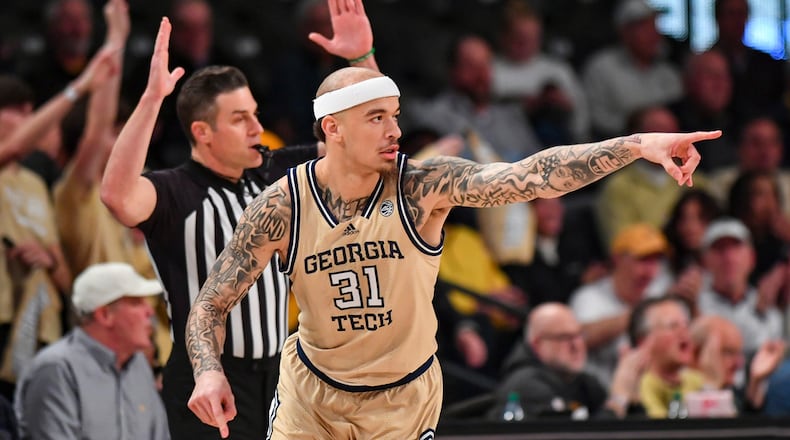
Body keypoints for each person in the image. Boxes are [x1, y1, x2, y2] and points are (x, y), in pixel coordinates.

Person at [182, 46, 719, 440]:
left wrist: (636, 144)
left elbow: (530, 175)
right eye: (376, 118)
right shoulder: (282, 205)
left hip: (404, 395)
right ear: (334, 128)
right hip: (313, 393)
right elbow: (210, 303)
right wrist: (208, 370)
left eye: (394, 116)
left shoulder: (422, 186)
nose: (395, 130)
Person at [100, 2, 378, 438]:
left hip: (282, 373)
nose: (255, 127)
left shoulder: (276, 170)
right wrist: (152, 99)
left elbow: (369, 150)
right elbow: (115, 195)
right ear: (202, 133)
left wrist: (361, 60)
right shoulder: (174, 191)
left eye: (254, 113)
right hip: (208, 378)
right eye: (239, 118)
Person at [14, 262, 169, 439]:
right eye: (136, 302)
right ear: (104, 315)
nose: (149, 311)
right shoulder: (57, 369)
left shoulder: (138, 365)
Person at [486, 303, 648, 421]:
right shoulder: (524, 385)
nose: (576, 345)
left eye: (578, 335)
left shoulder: (584, 382)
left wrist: (631, 393)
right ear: (537, 345)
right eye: (564, 337)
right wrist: (617, 399)